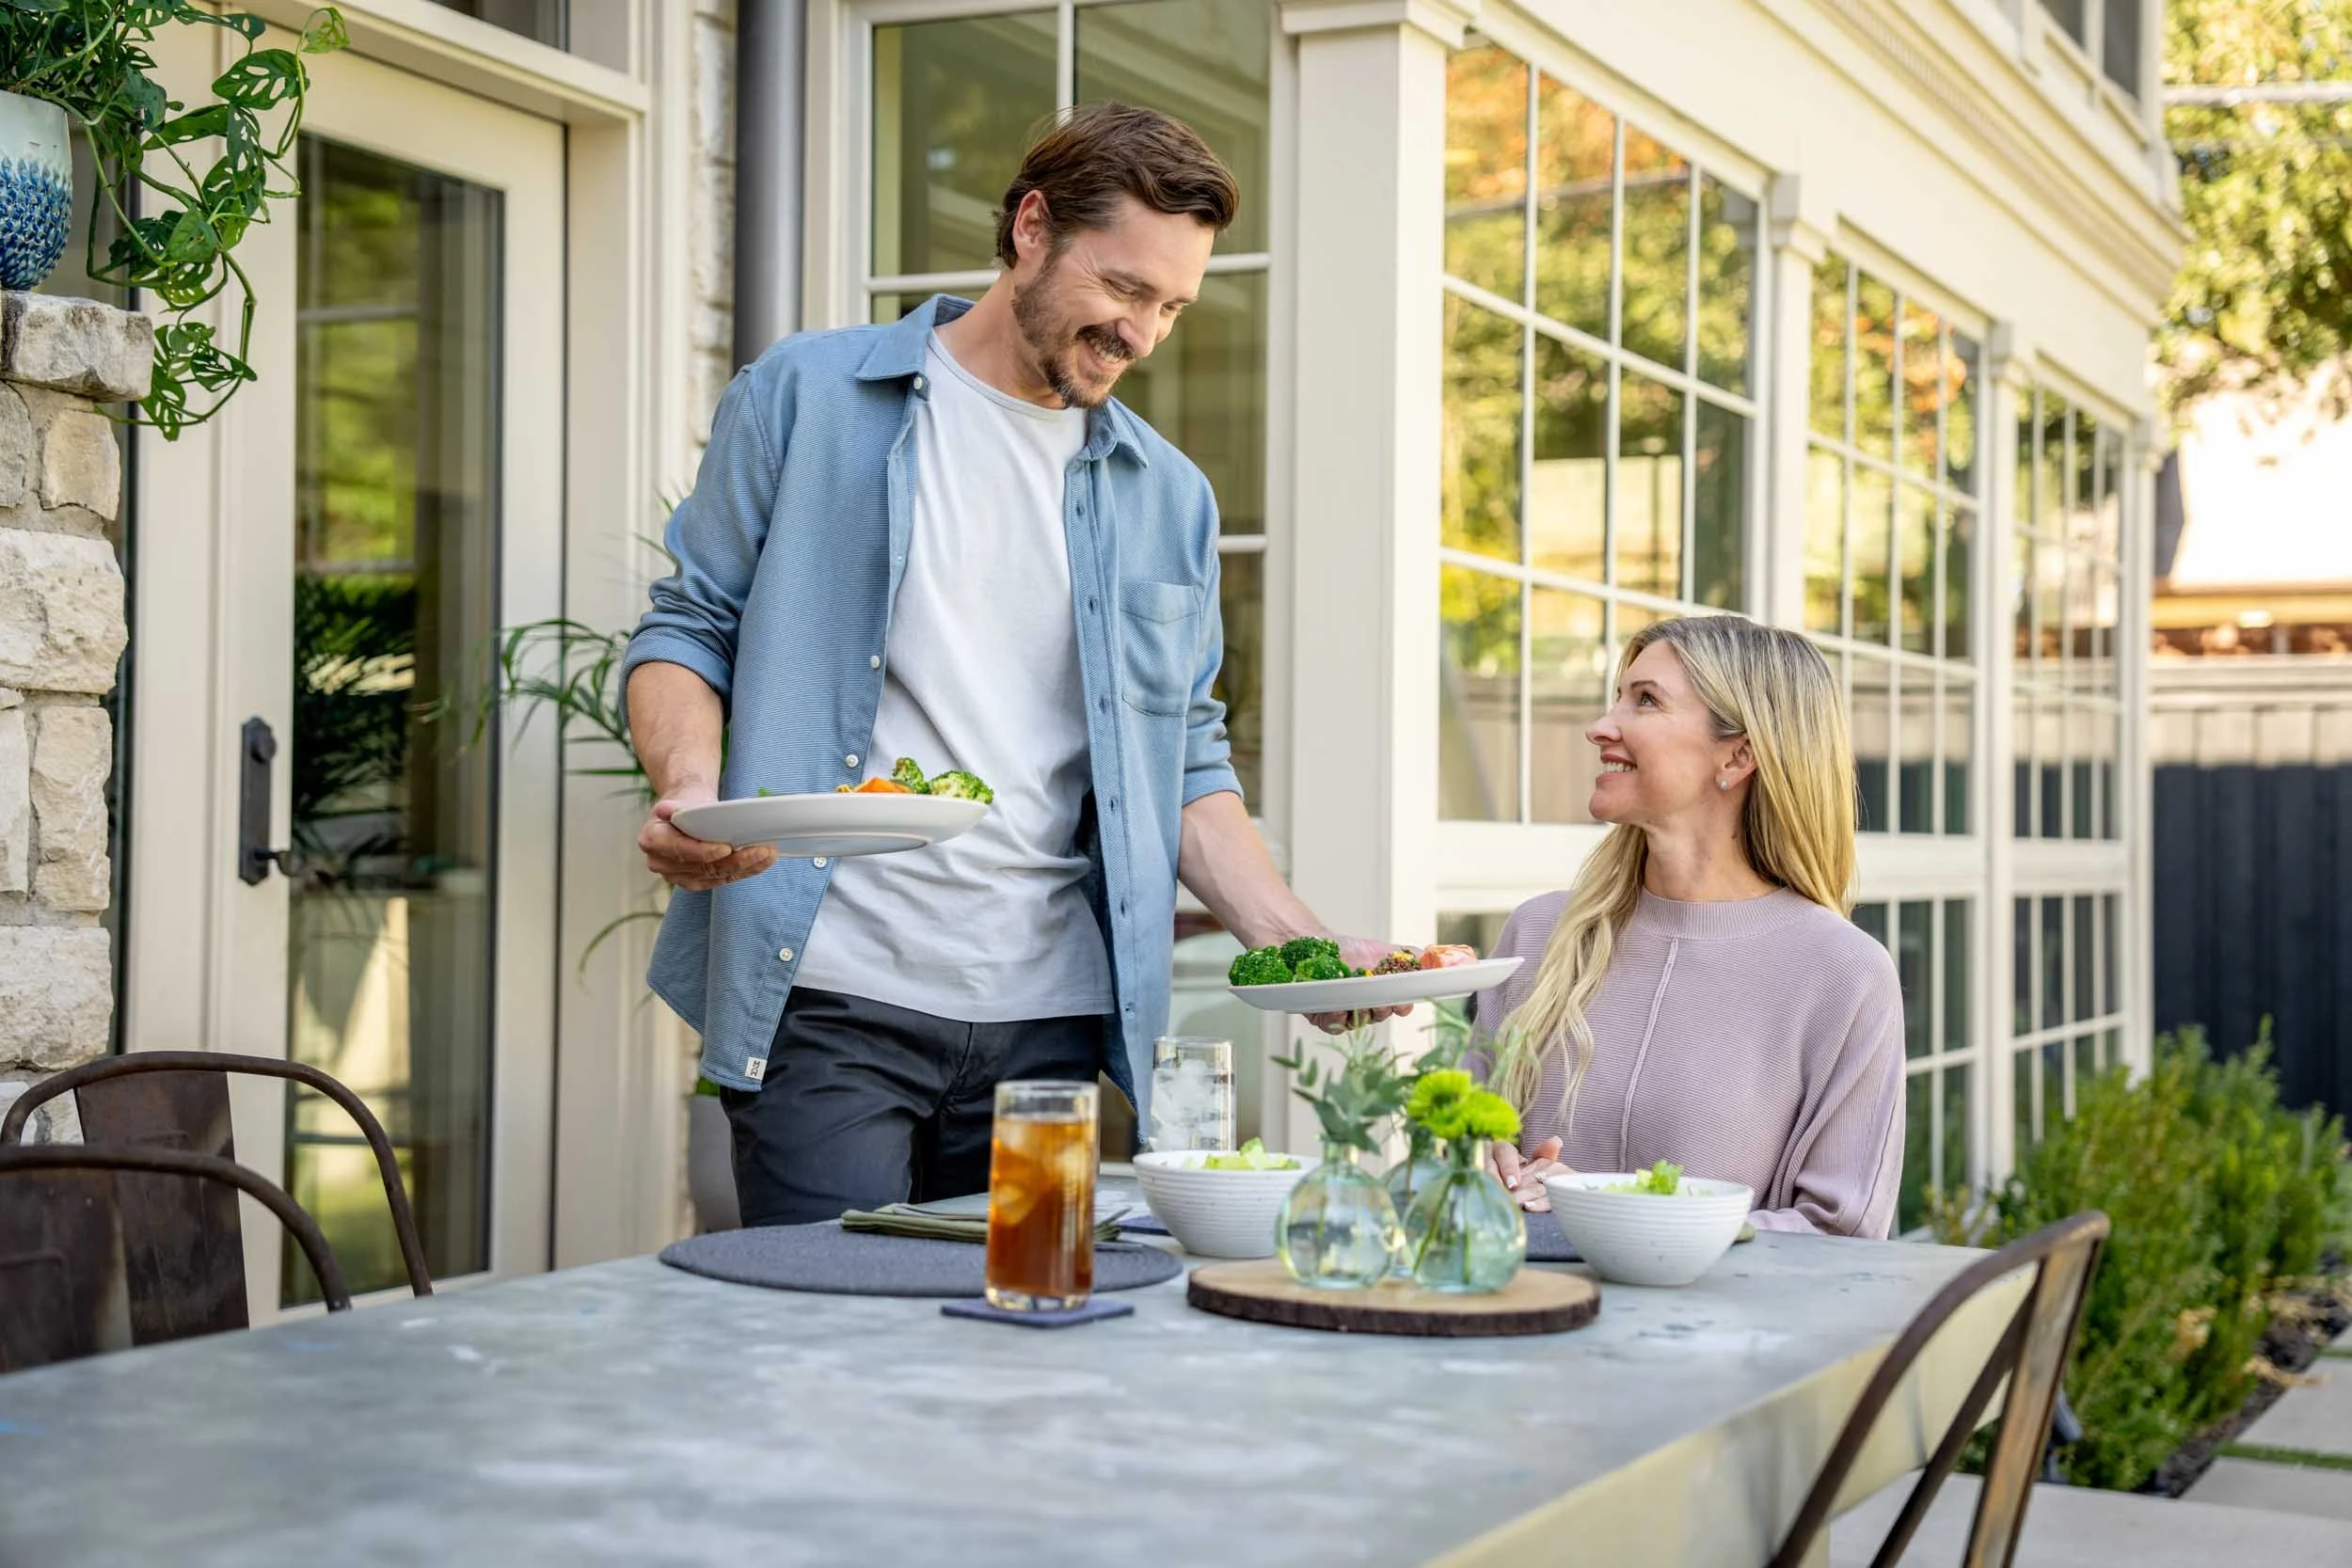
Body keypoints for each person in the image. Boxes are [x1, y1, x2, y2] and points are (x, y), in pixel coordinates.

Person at [622, 103, 1395, 1227]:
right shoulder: (807, 396)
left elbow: (1181, 754)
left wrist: (1298, 947)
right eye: (1125, 290)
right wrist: (690, 788)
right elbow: (689, 626)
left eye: (1173, 306)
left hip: (1051, 1031)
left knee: (1023, 1346)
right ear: (1032, 227)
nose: (1143, 335)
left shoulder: (1166, 496)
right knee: (829, 1357)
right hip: (832, 997)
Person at [1471, 614, 1905, 1238]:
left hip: (1722, 1335)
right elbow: (1448, 1155)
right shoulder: (1536, 934)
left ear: (1740, 753)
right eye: (1618, 696)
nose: (1601, 726)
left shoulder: (1843, 974)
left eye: (1645, 700)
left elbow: (1839, 1235)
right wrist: (1477, 1164)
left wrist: (1603, 1208)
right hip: (1520, 1327)